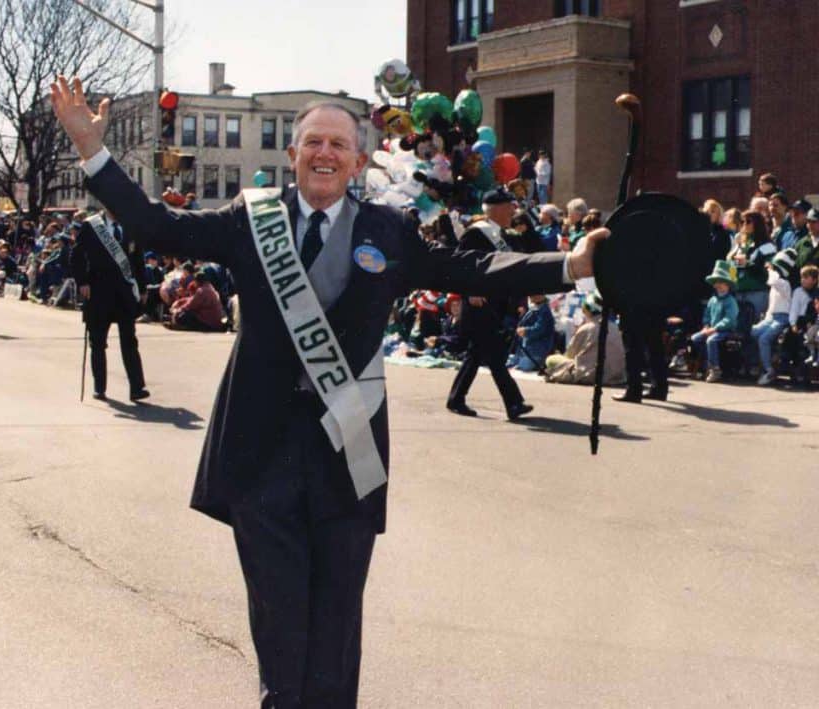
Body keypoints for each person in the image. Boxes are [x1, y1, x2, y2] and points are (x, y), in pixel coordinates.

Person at [50, 76, 606, 707]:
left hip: (350, 454)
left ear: (359, 161)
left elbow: (467, 269)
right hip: (262, 459)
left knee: (337, 636)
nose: (324, 152)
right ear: (293, 157)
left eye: (338, 144)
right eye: (312, 141)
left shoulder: (389, 229)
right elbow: (157, 226)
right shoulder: (249, 218)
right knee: (283, 642)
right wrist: (92, 150)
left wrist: (570, 266)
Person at [445, 189, 542, 420]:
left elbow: (520, 263)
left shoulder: (507, 236)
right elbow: (461, 266)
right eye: (509, 206)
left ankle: (456, 398)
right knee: (494, 356)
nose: (513, 211)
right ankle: (514, 403)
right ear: (496, 208)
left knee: (477, 354)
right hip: (479, 304)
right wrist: (470, 292)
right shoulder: (476, 234)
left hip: (497, 305)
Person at [70, 209, 149, 402]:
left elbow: (138, 259)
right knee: (97, 342)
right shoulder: (92, 225)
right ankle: (100, 387)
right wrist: (82, 282)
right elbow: (77, 255)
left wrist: (143, 287)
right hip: (98, 292)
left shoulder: (130, 225)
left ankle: (137, 388)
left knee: (129, 341)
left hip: (124, 294)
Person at [545, 291, 625, 386]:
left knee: (551, 359)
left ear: (587, 310)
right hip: (615, 376)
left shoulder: (586, 328)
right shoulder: (615, 328)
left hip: (589, 373)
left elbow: (570, 354)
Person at [690, 260, 740, 383]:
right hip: (711, 328)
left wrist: (715, 328)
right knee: (695, 338)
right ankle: (704, 363)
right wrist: (706, 326)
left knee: (711, 340)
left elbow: (730, 319)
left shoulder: (730, 301)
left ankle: (715, 369)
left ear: (728, 285)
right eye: (716, 282)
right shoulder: (713, 299)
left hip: (726, 330)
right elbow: (707, 315)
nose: (718, 285)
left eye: (721, 282)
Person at [751, 249, 795, 385]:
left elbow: (773, 281)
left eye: (776, 267)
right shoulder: (775, 282)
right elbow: (772, 305)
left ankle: (769, 370)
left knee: (764, 339)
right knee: (753, 332)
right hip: (771, 317)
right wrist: (766, 318)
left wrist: (771, 269)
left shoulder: (784, 283)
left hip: (782, 318)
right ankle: (761, 362)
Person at [507, 294, 553, 372]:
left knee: (524, 366)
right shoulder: (534, 308)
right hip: (525, 348)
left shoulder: (544, 311)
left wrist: (525, 331)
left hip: (536, 351)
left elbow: (539, 329)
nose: (530, 296)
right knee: (509, 362)